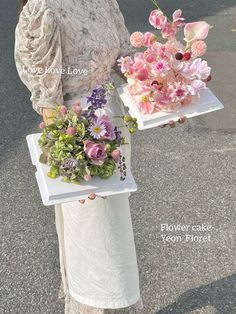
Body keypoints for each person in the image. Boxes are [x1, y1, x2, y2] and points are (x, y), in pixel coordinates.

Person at [14, 0, 186, 313]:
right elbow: (48, 100)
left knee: (113, 232)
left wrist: (166, 97)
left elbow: (125, 63)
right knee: (94, 239)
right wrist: (70, 169)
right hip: (80, 134)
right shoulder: (44, 10)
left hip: (114, 127)